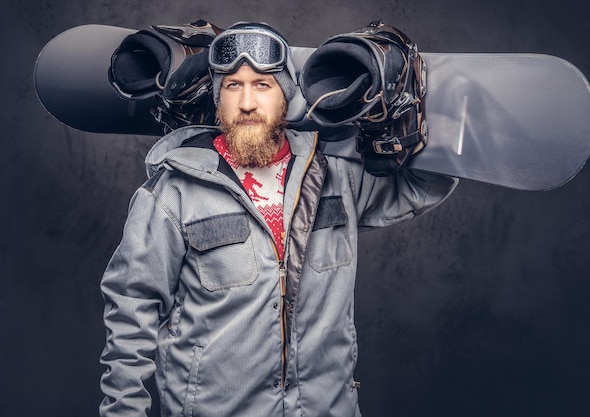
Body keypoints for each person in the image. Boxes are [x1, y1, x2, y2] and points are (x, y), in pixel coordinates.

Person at [99, 21, 457, 417]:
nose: (247, 102)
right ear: (218, 99)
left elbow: (425, 185)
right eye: (233, 86)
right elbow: (131, 312)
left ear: (285, 96)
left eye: (263, 85)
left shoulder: (334, 177)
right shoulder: (173, 193)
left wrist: (401, 110)